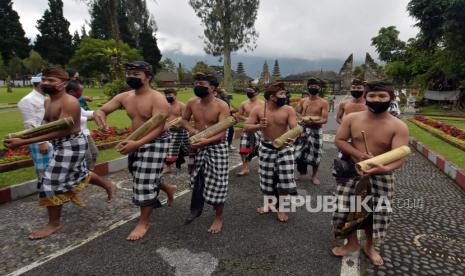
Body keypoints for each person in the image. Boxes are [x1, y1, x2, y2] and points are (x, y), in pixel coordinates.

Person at [4, 67, 113, 240]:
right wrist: (23, 136)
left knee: (49, 181)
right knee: (79, 173)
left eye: (51, 80)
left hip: (72, 144)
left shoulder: (69, 102)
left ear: (63, 84)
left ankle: (54, 223)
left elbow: (61, 131)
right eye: (45, 79)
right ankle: (108, 185)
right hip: (60, 144)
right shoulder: (48, 102)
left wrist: (24, 141)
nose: (45, 83)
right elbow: (47, 126)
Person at [94, 61, 176, 240]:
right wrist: (100, 118)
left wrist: (136, 144)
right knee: (139, 173)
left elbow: (159, 128)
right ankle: (168, 188)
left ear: (148, 77)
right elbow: (102, 109)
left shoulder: (157, 99)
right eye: (130, 73)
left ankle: (143, 222)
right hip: (136, 140)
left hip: (156, 141)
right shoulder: (124, 96)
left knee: (143, 181)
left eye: (137, 73)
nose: (131, 76)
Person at [331, 81, 409, 267]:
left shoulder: (398, 126)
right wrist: (360, 156)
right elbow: (340, 140)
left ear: (391, 98)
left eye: (382, 96)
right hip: (353, 170)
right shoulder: (352, 118)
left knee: (377, 213)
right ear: (366, 97)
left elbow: (400, 157)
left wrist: (385, 168)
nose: (376, 99)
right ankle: (351, 243)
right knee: (346, 209)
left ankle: (370, 247)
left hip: (382, 175)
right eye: (372, 96)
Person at [181, 73, 230, 234]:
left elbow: (222, 132)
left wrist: (205, 141)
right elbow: (184, 120)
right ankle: (196, 208)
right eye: (195, 83)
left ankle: (218, 217)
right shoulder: (191, 102)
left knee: (218, 183)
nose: (197, 86)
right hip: (197, 145)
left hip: (217, 147)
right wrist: (193, 131)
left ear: (212, 88)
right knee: (196, 179)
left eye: (201, 83)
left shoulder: (222, 105)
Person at [244, 82, 298, 222]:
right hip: (266, 148)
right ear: (272, 97)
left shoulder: (288, 110)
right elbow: (246, 127)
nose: (285, 96)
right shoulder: (258, 110)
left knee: (285, 180)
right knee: (267, 179)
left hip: (284, 148)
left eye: (285, 94)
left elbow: (295, 128)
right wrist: (258, 125)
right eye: (282, 94)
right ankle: (269, 204)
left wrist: (292, 138)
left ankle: (281, 208)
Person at [66, 80, 115, 201]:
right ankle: (86, 181)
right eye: (79, 92)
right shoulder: (66, 103)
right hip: (74, 138)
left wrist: (98, 114)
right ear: (71, 91)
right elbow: (77, 118)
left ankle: (86, 180)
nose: (81, 95)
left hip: (84, 134)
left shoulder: (75, 102)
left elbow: (86, 113)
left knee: (93, 154)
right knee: (85, 161)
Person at [17, 74, 53, 178]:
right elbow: (30, 124)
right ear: (41, 83)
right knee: (45, 173)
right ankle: (46, 193)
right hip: (39, 140)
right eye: (49, 82)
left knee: (54, 170)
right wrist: (41, 142)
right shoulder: (28, 100)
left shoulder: (46, 98)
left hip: (51, 137)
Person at [294, 78, 329, 185]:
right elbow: (297, 112)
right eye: (311, 86)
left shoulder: (323, 102)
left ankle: (314, 175)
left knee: (316, 153)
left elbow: (324, 119)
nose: (313, 88)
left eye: (316, 86)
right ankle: (300, 172)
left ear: (320, 88)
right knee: (299, 152)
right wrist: (302, 118)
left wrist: (312, 120)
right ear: (308, 87)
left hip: (316, 130)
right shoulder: (303, 101)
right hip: (302, 129)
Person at [236, 86, 264, 176]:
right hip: (247, 129)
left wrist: (258, 119)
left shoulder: (263, 104)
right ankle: (245, 168)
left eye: (251, 90)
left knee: (261, 149)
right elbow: (239, 115)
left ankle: (262, 166)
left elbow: (268, 116)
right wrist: (247, 118)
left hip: (259, 129)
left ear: (257, 92)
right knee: (243, 149)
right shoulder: (244, 103)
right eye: (247, 90)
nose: (248, 92)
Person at [162, 88, 189, 174]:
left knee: (188, 148)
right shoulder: (165, 105)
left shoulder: (181, 105)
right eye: (166, 95)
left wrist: (178, 124)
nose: (168, 96)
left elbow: (185, 119)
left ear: (175, 95)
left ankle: (194, 161)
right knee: (168, 148)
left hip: (180, 131)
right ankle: (167, 167)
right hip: (168, 131)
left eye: (170, 95)